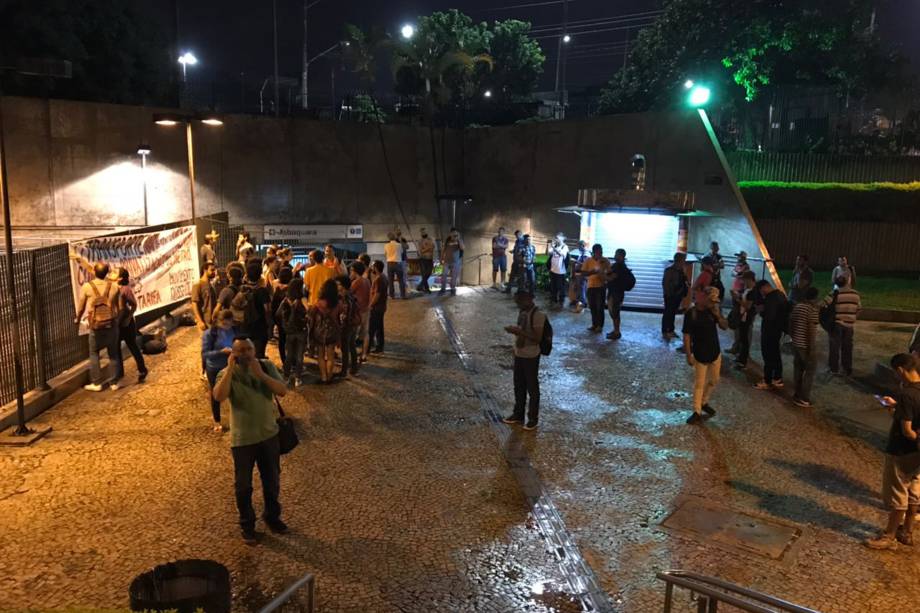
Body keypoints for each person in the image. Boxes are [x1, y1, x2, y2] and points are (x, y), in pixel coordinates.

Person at [212, 336, 289, 544]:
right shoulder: (225, 374)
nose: (245, 354)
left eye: (248, 349)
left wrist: (261, 375)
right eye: (240, 350)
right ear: (233, 353)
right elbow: (218, 396)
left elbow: (282, 391)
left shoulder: (266, 366)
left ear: (254, 350)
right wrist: (228, 369)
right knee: (243, 486)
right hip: (242, 440)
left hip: (269, 435)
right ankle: (247, 524)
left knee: (272, 481)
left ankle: (272, 517)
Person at [865, 354, 920, 550]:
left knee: (898, 493)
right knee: (914, 491)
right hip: (918, 457)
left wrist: (894, 412)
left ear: (900, 370)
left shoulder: (907, 395)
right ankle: (907, 532)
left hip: (902, 451)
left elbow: (907, 430)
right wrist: (896, 408)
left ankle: (888, 536)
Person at [682, 287, 728, 425]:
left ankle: (704, 402)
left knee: (714, 380)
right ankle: (696, 411)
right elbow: (687, 335)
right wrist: (688, 354)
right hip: (700, 353)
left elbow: (725, 326)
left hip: (715, 352)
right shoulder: (691, 313)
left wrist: (718, 315)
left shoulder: (713, 311)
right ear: (703, 297)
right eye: (711, 300)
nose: (713, 303)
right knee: (699, 383)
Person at [74, 262, 123, 392]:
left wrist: (77, 319)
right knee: (113, 353)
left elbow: (81, 307)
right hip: (111, 324)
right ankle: (114, 382)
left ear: (94, 272)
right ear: (107, 273)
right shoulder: (114, 287)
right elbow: (119, 307)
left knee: (94, 353)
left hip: (95, 326)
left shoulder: (87, 287)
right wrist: (116, 320)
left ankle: (97, 383)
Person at [502, 289, 546, 431]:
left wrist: (518, 332)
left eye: (520, 301)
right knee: (519, 385)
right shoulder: (522, 312)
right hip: (520, 353)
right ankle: (518, 414)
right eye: (517, 302)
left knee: (532, 387)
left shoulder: (538, 316)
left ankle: (533, 418)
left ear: (530, 299)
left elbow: (537, 338)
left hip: (531, 355)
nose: (518, 304)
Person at [202, 309, 237, 432]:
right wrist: (220, 352)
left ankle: (236, 419)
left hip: (230, 366)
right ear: (218, 321)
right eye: (225, 324)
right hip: (214, 368)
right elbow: (205, 354)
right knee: (215, 394)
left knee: (235, 391)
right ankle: (217, 420)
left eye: (230, 324)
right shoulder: (210, 334)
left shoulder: (234, 330)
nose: (227, 327)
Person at [115, 268, 148, 384]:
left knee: (132, 346)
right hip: (119, 323)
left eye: (116, 273)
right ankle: (119, 373)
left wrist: (128, 318)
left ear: (120, 278)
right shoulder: (117, 288)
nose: (113, 274)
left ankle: (142, 369)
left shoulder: (125, 290)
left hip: (126, 324)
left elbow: (133, 304)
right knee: (117, 347)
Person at [789, 287, 820, 407]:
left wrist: (793, 336)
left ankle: (797, 394)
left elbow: (790, 322)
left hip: (796, 343)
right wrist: (811, 348)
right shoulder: (812, 309)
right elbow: (811, 330)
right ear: (815, 297)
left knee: (798, 368)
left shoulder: (798, 306)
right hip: (805, 345)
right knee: (810, 370)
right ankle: (804, 398)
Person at [754, 280, 787, 389]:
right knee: (775, 354)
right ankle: (777, 378)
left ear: (764, 287)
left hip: (770, 331)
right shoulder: (781, 294)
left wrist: (760, 312)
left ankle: (767, 380)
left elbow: (770, 316)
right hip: (778, 330)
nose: (761, 294)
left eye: (761, 291)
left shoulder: (771, 298)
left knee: (768, 355)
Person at [275, 279, 308, 387]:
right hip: (301, 331)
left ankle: (286, 376)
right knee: (299, 355)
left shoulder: (286, 299)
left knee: (289, 355)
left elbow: (278, 313)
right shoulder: (302, 299)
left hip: (289, 331)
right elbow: (308, 312)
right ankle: (298, 378)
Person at [826, 276, 861, 377]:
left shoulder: (834, 293)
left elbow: (822, 304)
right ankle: (847, 368)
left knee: (834, 347)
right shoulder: (855, 294)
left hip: (837, 324)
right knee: (847, 347)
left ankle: (834, 369)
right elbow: (859, 309)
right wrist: (852, 318)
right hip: (849, 325)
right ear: (846, 282)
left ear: (836, 283)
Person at [309, 279, 343, 383]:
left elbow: (311, 315)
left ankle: (323, 377)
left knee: (320, 355)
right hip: (332, 331)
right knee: (331, 356)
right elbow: (340, 316)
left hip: (319, 332)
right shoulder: (337, 303)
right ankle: (329, 377)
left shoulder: (318, 303)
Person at [238, 261, 272, 360]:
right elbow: (267, 310)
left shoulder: (242, 289)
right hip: (259, 326)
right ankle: (257, 372)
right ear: (260, 275)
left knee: (245, 353)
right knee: (259, 353)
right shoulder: (263, 291)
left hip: (245, 325)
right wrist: (269, 325)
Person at [191, 263, 218, 380]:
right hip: (204, 322)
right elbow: (194, 303)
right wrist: (199, 320)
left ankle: (211, 369)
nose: (214, 272)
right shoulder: (198, 285)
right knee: (206, 347)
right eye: (212, 270)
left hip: (212, 322)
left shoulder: (211, 285)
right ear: (205, 270)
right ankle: (203, 371)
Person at [581, 244, 611, 333]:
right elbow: (583, 273)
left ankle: (600, 326)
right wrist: (592, 272)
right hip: (590, 286)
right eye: (599, 251)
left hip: (601, 287)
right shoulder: (588, 261)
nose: (601, 253)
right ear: (594, 252)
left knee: (600, 307)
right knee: (592, 307)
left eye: (601, 251)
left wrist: (605, 277)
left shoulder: (605, 261)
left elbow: (610, 272)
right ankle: (594, 324)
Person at [605, 248, 632, 340]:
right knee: (613, 311)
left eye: (616, 254)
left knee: (615, 312)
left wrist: (601, 274)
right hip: (614, 292)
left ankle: (617, 332)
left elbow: (611, 278)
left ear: (621, 256)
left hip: (617, 293)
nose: (615, 256)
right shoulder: (617, 265)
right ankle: (615, 330)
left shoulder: (620, 267)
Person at [337, 276, 361, 377]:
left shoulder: (345, 298)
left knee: (345, 349)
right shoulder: (351, 295)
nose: (337, 286)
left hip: (347, 326)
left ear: (343, 286)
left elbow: (345, 314)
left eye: (338, 284)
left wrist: (341, 325)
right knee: (352, 346)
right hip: (353, 325)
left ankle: (344, 370)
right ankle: (354, 368)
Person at [662, 252, 689, 339]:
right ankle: (665, 331)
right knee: (668, 313)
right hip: (670, 296)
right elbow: (665, 284)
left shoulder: (680, 270)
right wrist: (669, 294)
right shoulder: (669, 270)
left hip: (678, 295)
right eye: (683, 260)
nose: (684, 262)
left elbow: (684, 281)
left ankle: (671, 330)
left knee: (673, 313)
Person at [734, 271, 758, 368]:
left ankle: (743, 361)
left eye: (744, 280)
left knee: (745, 339)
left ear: (749, 279)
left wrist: (737, 299)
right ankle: (740, 357)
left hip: (747, 317)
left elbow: (748, 306)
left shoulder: (753, 291)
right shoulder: (748, 289)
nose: (743, 282)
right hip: (743, 315)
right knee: (742, 337)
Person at [350, 262, 372, 363]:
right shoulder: (367, 280)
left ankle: (353, 356)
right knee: (365, 332)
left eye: (351, 270)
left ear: (355, 271)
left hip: (358, 311)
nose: (351, 272)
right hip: (366, 309)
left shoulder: (356, 282)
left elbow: (349, 293)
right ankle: (364, 354)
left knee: (353, 333)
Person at [270, 267, 293, 362]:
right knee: (291, 340)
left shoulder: (277, 289)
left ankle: (284, 359)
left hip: (280, 319)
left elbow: (273, 305)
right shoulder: (292, 289)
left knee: (282, 339)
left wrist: (274, 319)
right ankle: (293, 360)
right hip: (291, 319)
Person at [368, 260, 388, 353]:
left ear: (376, 268)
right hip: (381, 307)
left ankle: (367, 348)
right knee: (379, 328)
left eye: (372, 267)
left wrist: (370, 305)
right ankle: (380, 346)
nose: (371, 268)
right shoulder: (383, 277)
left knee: (372, 329)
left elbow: (377, 295)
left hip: (377, 308)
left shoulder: (379, 279)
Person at [439, 228, 464, 296]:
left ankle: (452, 289)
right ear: (450, 234)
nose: (454, 235)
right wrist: (441, 259)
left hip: (456, 262)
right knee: (444, 275)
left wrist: (458, 239)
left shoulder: (459, 240)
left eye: (455, 233)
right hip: (446, 261)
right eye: (453, 233)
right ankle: (443, 289)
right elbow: (443, 250)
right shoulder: (447, 241)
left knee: (454, 276)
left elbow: (462, 248)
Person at [546, 233, 569, 306]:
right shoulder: (555, 246)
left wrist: (553, 248)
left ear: (562, 238)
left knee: (560, 286)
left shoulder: (565, 247)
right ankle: (554, 298)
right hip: (553, 269)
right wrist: (548, 245)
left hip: (560, 271)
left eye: (557, 238)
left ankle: (561, 299)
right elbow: (548, 253)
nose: (556, 239)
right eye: (555, 238)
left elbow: (561, 254)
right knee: (553, 285)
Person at [569, 240, 590, 311]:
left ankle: (583, 304)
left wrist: (575, 261)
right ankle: (578, 303)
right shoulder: (582, 253)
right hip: (579, 274)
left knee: (582, 289)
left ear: (583, 245)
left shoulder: (586, 254)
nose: (578, 248)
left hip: (582, 275)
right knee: (579, 289)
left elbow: (585, 265)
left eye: (579, 246)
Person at [384, 233, 407, 299]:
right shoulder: (399, 245)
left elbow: (385, 254)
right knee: (401, 280)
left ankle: (392, 295)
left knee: (390, 280)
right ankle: (403, 295)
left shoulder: (386, 245)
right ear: (394, 237)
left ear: (389, 238)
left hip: (390, 264)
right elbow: (402, 252)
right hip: (398, 263)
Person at [505, 230, 524, 294]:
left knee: (520, 276)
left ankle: (520, 290)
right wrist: (513, 251)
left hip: (520, 262)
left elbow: (523, 251)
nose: (516, 237)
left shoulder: (524, 241)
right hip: (515, 261)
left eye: (517, 235)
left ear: (520, 234)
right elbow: (516, 249)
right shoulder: (517, 241)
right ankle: (508, 289)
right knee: (512, 275)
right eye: (516, 236)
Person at [417, 229, 435, 293]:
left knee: (429, 272)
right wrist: (428, 248)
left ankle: (420, 285)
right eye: (422, 232)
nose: (423, 233)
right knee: (424, 274)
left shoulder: (431, 239)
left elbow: (432, 247)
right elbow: (420, 251)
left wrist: (425, 249)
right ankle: (426, 289)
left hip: (430, 258)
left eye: (424, 231)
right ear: (421, 233)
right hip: (422, 259)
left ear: (427, 232)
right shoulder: (420, 241)